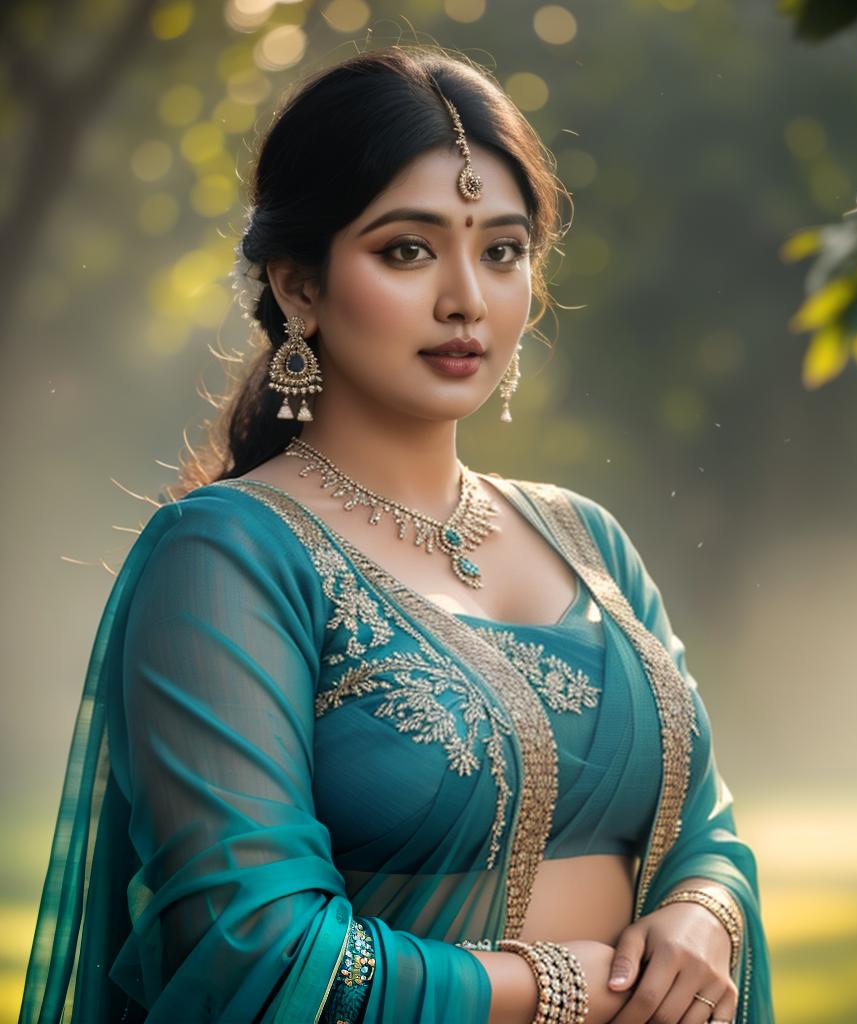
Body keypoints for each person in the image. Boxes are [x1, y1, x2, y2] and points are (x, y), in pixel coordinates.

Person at [19, 44, 774, 1024]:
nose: (466, 297)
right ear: (297, 286)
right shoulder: (227, 558)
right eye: (407, 250)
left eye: (501, 251)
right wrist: (559, 987)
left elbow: (702, 822)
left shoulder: (584, 539)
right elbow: (256, 947)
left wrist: (703, 915)